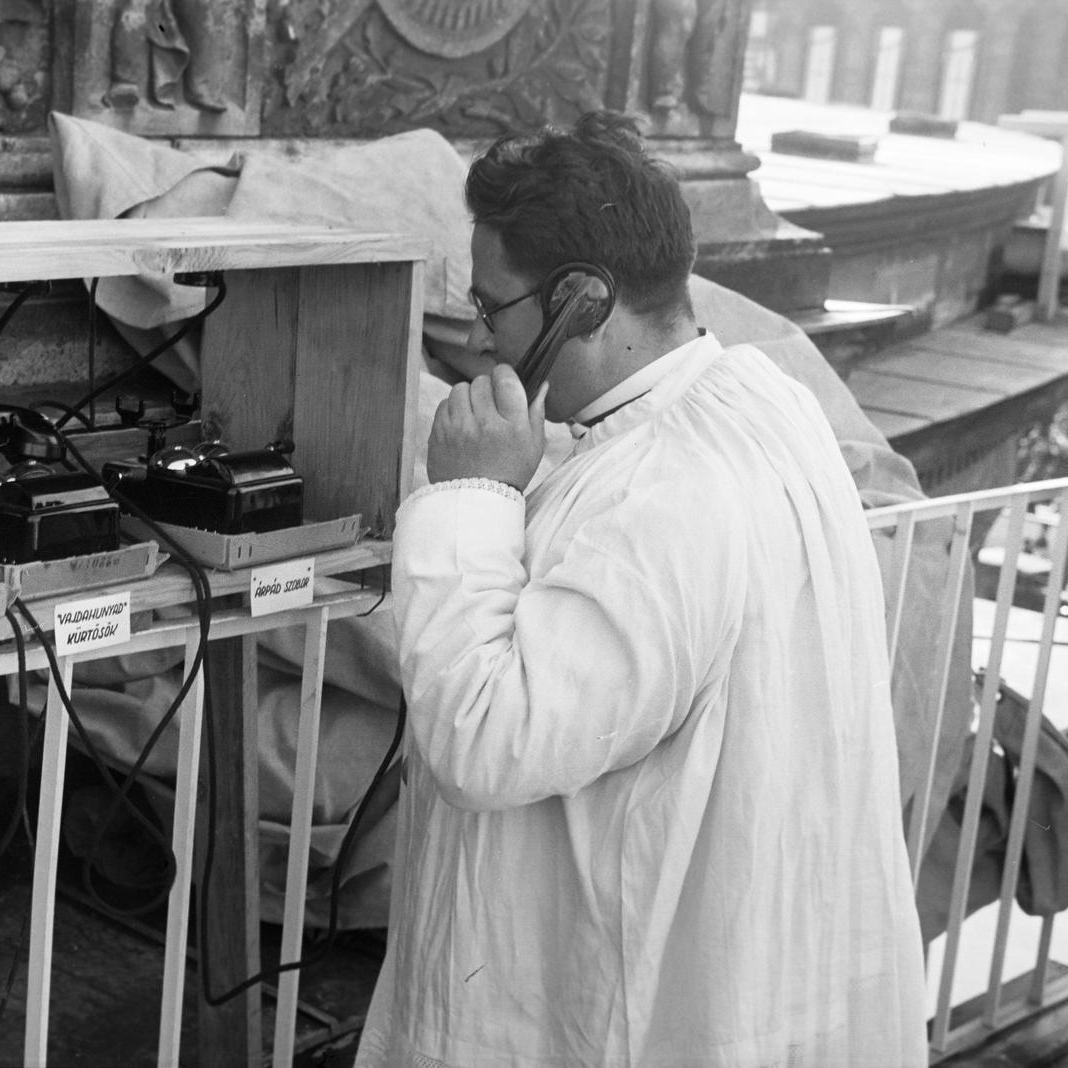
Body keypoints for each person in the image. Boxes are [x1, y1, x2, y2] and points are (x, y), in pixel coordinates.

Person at [356, 111, 926, 1066]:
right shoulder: (761, 401)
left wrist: (473, 491)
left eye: (493, 308)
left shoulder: (663, 494)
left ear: (580, 300)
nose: (482, 340)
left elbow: (487, 741)